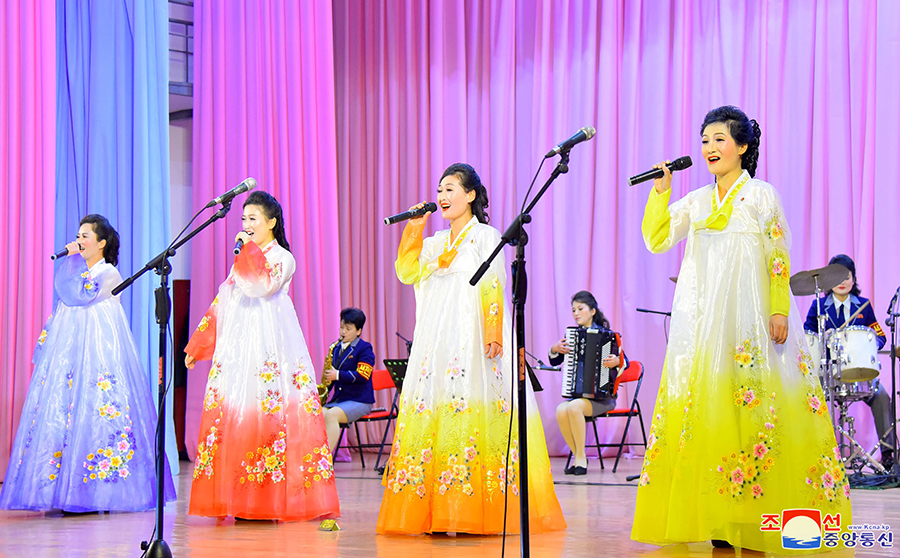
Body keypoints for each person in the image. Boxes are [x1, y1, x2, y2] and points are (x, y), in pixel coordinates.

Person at [633, 106, 852, 552]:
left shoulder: (762, 196)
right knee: (711, 412)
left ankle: (760, 518)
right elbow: (657, 239)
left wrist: (779, 309)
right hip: (705, 326)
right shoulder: (696, 201)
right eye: (705, 140)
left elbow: (778, 256)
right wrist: (660, 192)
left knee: (754, 412)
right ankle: (718, 517)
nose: (709, 148)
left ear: (743, 146)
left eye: (719, 139)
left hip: (751, 321)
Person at [377, 163, 566, 535]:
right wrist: (414, 229)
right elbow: (407, 272)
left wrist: (494, 331)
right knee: (435, 410)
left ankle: (470, 509)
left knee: (470, 404)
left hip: (473, 335)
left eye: (450, 189)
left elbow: (494, 282)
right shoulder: (434, 242)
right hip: (437, 339)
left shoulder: (485, 236)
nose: (442, 196)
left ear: (471, 195)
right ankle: (433, 510)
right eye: (440, 190)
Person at [0, 215, 175, 512]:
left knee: (97, 410)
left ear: (101, 243)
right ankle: (59, 488)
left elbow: (80, 295)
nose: (79, 241)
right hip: (72, 352)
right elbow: (69, 296)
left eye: (85, 236)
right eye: (78, 235)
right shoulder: (79, 271)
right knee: (64, 410)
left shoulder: (107, 272)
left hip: (98, 352)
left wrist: (71, 261)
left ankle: (95, 493)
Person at [184, 190, 339, 521]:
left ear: (271, 222)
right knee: (238, 412)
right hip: (238, 347)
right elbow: (224, 299)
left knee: (267, 411)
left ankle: (267, 499)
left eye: (253, 218)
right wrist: (199, 344)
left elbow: (262, 286)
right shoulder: (245, 257)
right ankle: (241, 497)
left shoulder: (283, 258)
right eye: (243, 219)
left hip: (270, 345)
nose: (246, 224)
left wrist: (248, 251)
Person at [803, 254, 892, 468]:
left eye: (847, 276)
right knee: (809, 398)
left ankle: (888, 454)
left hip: (859, 373)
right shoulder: (818, 307)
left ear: (854, 279)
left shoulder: (864, 306)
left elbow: (880, 336)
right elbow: (807, 338)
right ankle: (813, 454)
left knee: (881, 396)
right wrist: (822, 340)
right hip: (829, 374)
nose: (842, 282)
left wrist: (872, 344)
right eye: (837, 277)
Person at [550, 291, 626, 475]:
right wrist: (554, 349)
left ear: (592, 311)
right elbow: (555, 361)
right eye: (573, 310)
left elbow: (627, 363)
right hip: (580, 397)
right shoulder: (571, 336)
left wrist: (617, 362)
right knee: (561, 410)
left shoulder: (608, 336)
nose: (576, 313)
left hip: (603, 399)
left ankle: (580, 458)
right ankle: (579, 457)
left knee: (574, 407)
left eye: (580, 309)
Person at [321, 307, 376, 451]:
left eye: (348, 328)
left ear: (358, 331)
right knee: (318, 413)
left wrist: (338, 375)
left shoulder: (365, 348)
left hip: (360, 400)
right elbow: (331, 378)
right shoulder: (336, 348)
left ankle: (326, 459)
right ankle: (315, 454)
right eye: (341, 327)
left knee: (331, 415)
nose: (343, 332)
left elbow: (363, 375)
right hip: (340, 400)